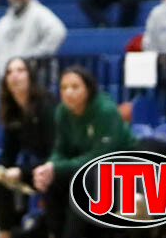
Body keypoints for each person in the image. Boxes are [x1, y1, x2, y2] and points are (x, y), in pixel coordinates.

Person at [33, 67, 135, 238]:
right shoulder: (62, 112)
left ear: (88, 89)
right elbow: (60, 149)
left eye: (75, 87)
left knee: (83, 181)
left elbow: (101, 157)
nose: (68, 92)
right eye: (64, 88)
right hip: (87, 167)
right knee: (51, 181)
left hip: (122, 168)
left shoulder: (105, 111)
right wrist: (49, 166)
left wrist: (57, 168)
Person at [0, 57, 54, 238]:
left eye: (20, 70)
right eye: (9, 72)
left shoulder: (46, 106)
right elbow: (7, 155)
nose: (14, 76)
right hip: (36, 170)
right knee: (0, 178)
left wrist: (21, 172)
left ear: (30, 76)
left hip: (55, 167)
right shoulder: (13, 111)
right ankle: (5, 232)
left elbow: (54, 155)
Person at [0, 0, 66, 73]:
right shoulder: (2, 23)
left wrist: (34, 57)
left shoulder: (40, 13)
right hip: (4, 77)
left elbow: (58, 32)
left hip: (31, 76)